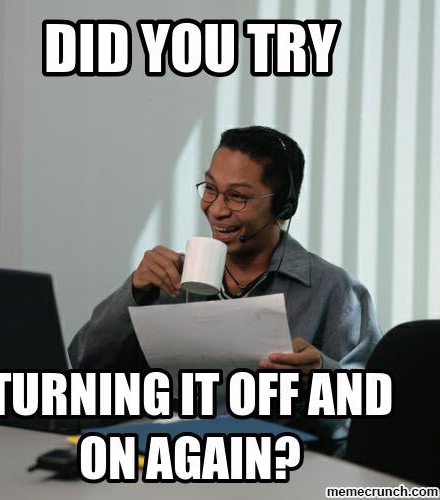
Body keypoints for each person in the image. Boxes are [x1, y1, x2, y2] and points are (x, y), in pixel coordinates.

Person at [68, 126, 382, 440]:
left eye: (237, 197)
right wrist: (134, 291)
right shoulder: (169, 277)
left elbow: (367, 417)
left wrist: (322, 376)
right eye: (210, 189)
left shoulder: (335, 291)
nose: (216, 209)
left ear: (283, 208)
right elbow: (82, 368)